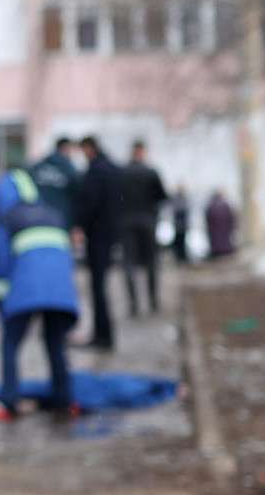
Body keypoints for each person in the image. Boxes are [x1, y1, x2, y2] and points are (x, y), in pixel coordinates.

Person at [0, 166, 79, 422]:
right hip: (60, 292)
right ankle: (65, 400)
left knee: (11, 343)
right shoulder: (53, 213)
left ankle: (8, 401)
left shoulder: (6, 218)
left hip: (26, 290)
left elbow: (0, 261)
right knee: (55, 343)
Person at [74, 136, 123, 351]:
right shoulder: (113, 169)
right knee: (100, 287)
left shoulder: (96, 172)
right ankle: (103, 334)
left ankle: (102, 336)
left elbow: (89, 203)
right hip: (110, 234)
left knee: (98, 288)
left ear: (89, 148)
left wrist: (79, 225)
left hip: (98, 236)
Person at [119, 140, 168, 316]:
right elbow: (162, 197)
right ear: (142, 152)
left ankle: (133, 304)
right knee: (151, 262)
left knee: (129, 264)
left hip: (126, 223)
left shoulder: (122, 173)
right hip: (147, 221)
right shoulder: (150, 172)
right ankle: (153, 301)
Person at [25, 137, 80, 229]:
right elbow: (77, 197)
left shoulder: (37, 167)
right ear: (65, 148)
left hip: (37, 218)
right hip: (62, 220)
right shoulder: (69, 169)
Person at [206, 189, 237, 258]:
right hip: (223, 229)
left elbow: (208, 217)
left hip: (217, 230)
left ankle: (219, 252)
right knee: (223, 242)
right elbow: (231, 217)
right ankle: (223, 252)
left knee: (218, 242)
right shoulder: (225, 205)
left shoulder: (212, 205)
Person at [170, 186, 191, 265]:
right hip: (179, 225)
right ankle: (180, 257)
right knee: (179, 241)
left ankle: (181, 256)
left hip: (181, 225)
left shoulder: (181, 199)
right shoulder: (179, 200)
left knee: (181, 241)